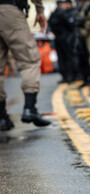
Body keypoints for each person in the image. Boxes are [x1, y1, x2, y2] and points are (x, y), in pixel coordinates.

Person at [0, 0, 51, 131]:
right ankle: (30, 108)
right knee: (29, 61)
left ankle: (1, 116)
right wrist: (39, 10)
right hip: (10, 12)